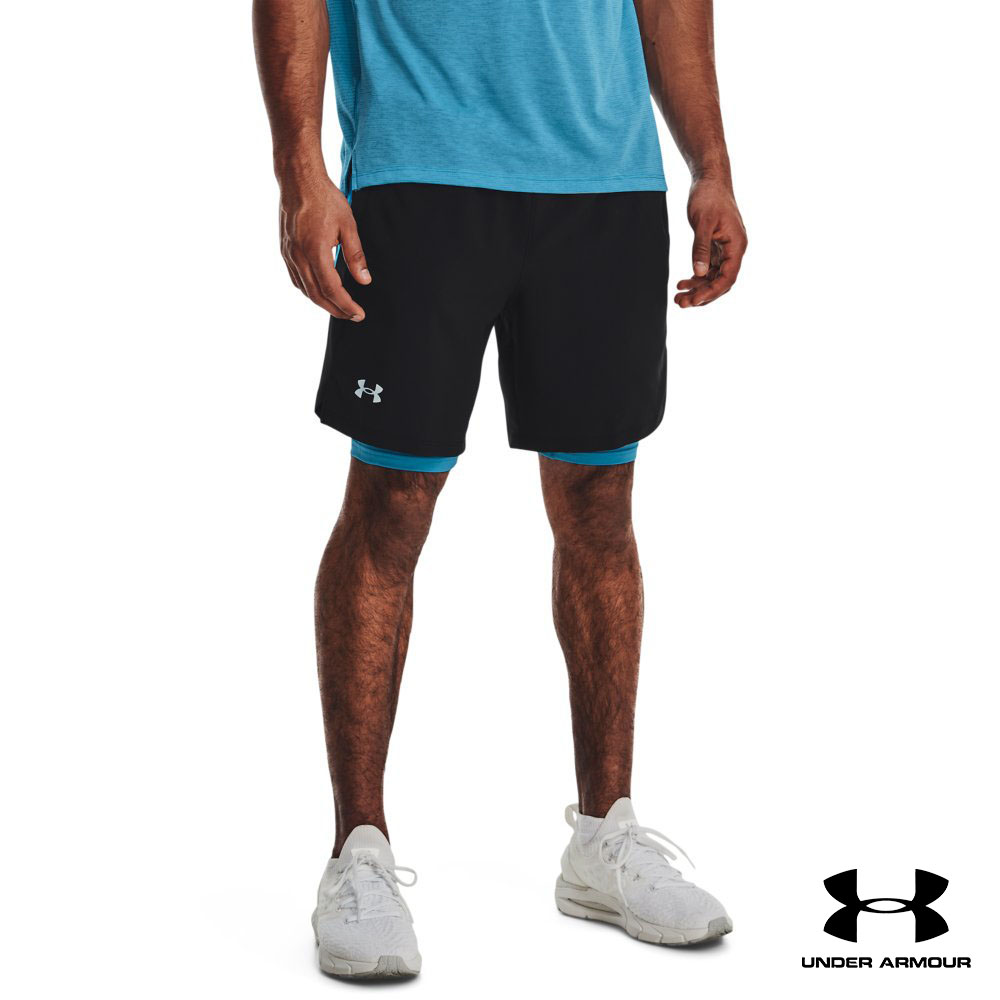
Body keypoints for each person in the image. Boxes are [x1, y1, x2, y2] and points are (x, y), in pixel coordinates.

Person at [254, 0, 747, 978]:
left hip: (605, 178)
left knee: (600, 506)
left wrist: (712, 166)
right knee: (392, 506)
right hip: (420, 173)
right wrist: (300, 171)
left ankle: (604, 834)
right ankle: (358, 851)